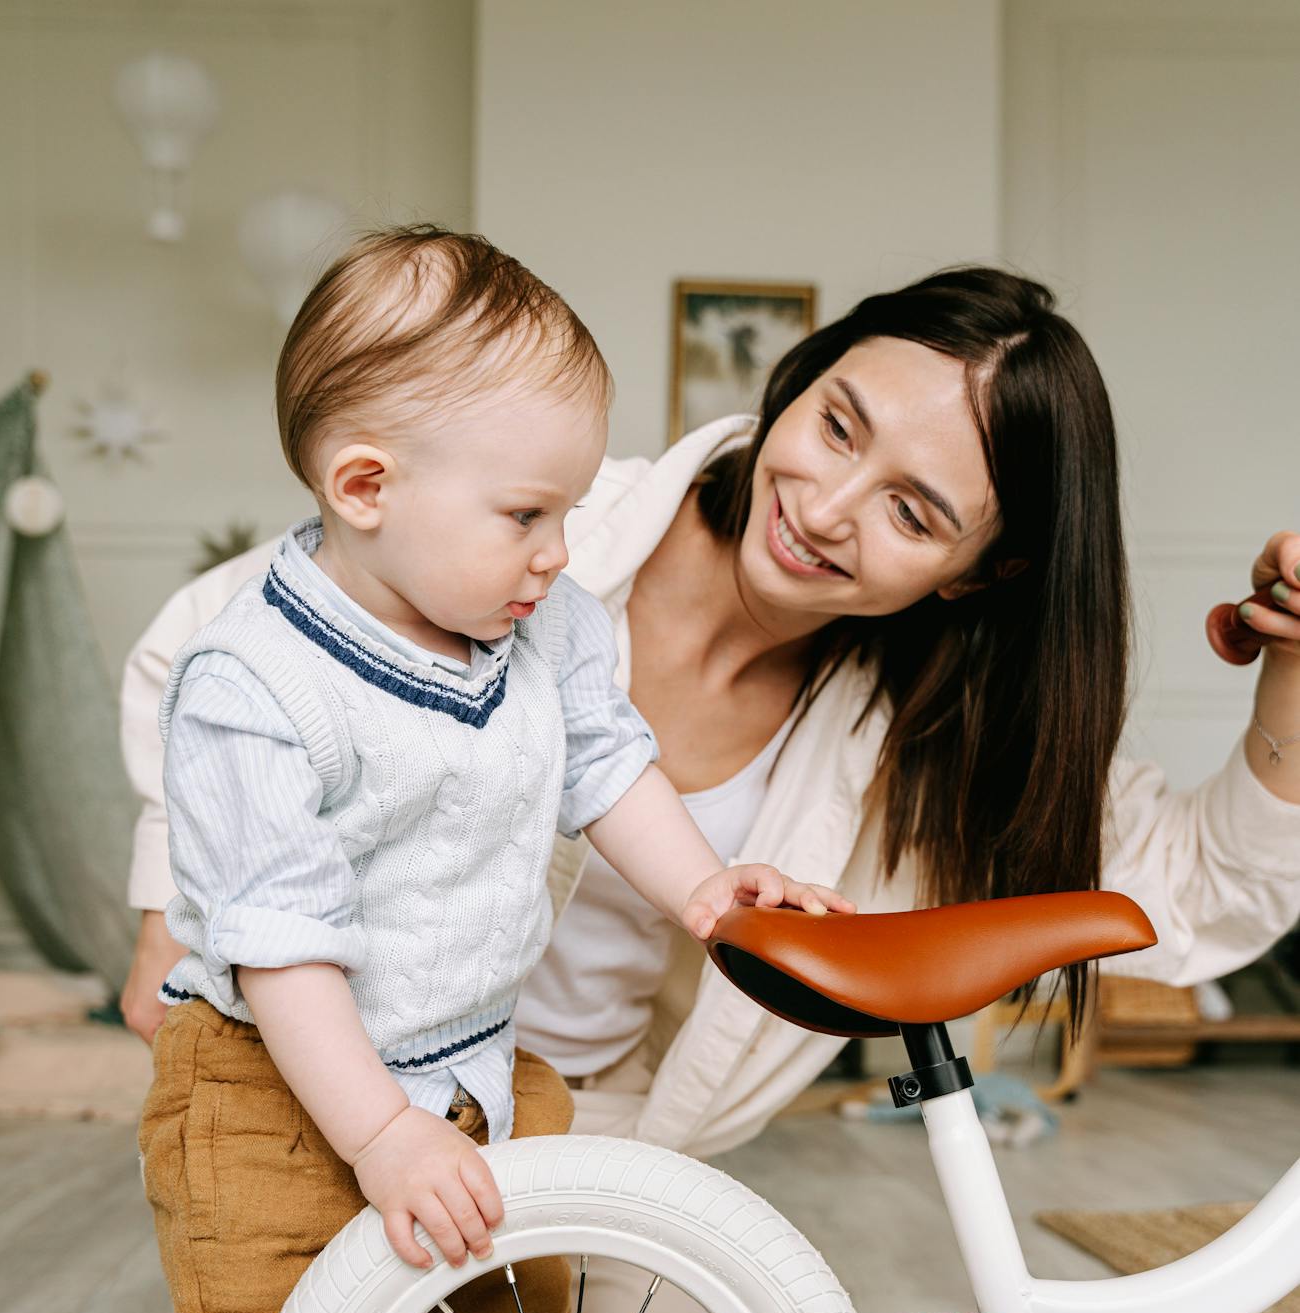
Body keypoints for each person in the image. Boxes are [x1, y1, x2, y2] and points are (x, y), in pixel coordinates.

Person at [139, 226, 848, 1313]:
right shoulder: (255, 688)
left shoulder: (547, 629)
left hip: (473, 1057)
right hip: (270, 1075)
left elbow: (612, 768)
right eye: (526, 512)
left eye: (571, 511)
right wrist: (377, 1134)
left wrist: (706, 890)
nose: (556, 550)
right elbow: (283, 948)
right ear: (366, 490)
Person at [124, 267, 1300, 1164]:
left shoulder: (930, 745)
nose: (826, 508)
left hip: (588, 1147)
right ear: (800, 374)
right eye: (838, 424)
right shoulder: (545, 535)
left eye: (912, 511)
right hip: (329, 1103)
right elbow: (214, 640)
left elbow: (1203, 881)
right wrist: (177, 908)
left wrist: (1293, 663)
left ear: (978, 573)